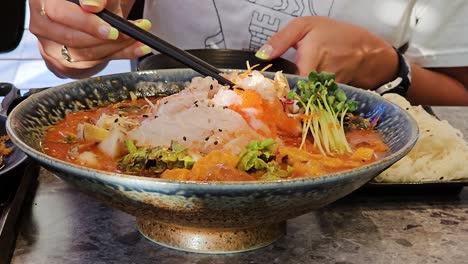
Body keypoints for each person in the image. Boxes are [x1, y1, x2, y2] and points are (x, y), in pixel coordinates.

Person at [29, 0, 468, 105]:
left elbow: (460, 95)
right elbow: (65, 55)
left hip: (364, 204)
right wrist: (72, 41)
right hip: (146, 176)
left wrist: (391, 68)